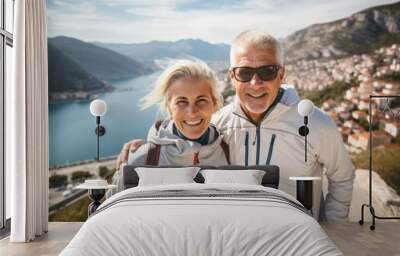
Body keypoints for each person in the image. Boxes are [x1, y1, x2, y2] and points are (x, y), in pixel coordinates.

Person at [116, 30, 355, 222]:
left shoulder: (316, 123)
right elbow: (186, 137)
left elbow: (342, 178)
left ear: (282, 74)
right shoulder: (220, 124)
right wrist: (142, 149)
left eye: (267, 71)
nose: (255, 82)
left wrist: (334, 228)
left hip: (301, 239)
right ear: (232, 76)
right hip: (238, 239)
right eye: (244, 72)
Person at [109, 60, 230, 197]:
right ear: (169, 108)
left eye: (201, 100)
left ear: (214, 104)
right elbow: (109, 209)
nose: (192, 112)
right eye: (181, 102)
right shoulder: (141, 159)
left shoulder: (228, 150)